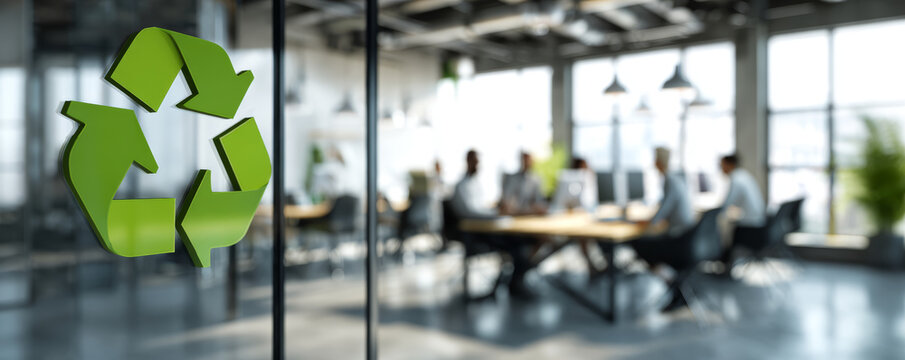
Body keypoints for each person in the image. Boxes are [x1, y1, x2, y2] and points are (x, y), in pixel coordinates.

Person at [630, 147, 696, 310]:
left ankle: (672, 283)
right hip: (687, 236)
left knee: (639, 244)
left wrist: (646, 222)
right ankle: (675, 284)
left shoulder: (669, 180)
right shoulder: (675, 179)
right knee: (646, 242)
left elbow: (663, 211)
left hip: (679, 239)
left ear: (658, 162)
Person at [719, 154, 765, 227]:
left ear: (729, 165)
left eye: (722, 165)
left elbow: (728, 203)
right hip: (758, 220)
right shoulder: (744, 175)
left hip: (750, 225)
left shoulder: (736, 179)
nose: (721, 169)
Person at [451, 149, 497, 219]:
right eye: (475, 162)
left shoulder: (477, 183)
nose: (477, 166)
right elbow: (469, 213)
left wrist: (496, 210)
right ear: (468, 161)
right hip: (470, 226)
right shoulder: (461, 186)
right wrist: (495, 213)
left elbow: (481, 207)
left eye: (478, 162)